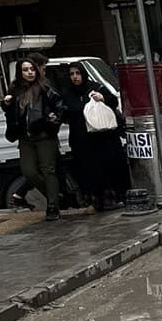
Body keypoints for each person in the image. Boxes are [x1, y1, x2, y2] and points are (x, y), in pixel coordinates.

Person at [1, 58, 65, 220]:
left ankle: (52, 206)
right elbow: (12, 114)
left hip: (44, 135)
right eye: (25, 70)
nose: (29, 72)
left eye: (32, 69)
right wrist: (7, 105)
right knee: (28, 171)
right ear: (19, 72)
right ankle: (54, 196)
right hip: (25, 137)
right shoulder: (15, 90)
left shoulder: (45, 88)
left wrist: (53, 119)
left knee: (48, 169)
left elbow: (59, 106)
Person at [59, 64, 128, 211]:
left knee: (108, 168)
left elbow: (113, 101)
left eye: (78, 73)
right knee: (88, 172)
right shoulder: (67, 93)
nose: (75, 77)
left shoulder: (94, 87)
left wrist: (102, 98)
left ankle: (114, 199)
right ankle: (95, 201)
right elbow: (65, 114)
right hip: (81, 141)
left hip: (101, 138)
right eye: (72, 74)